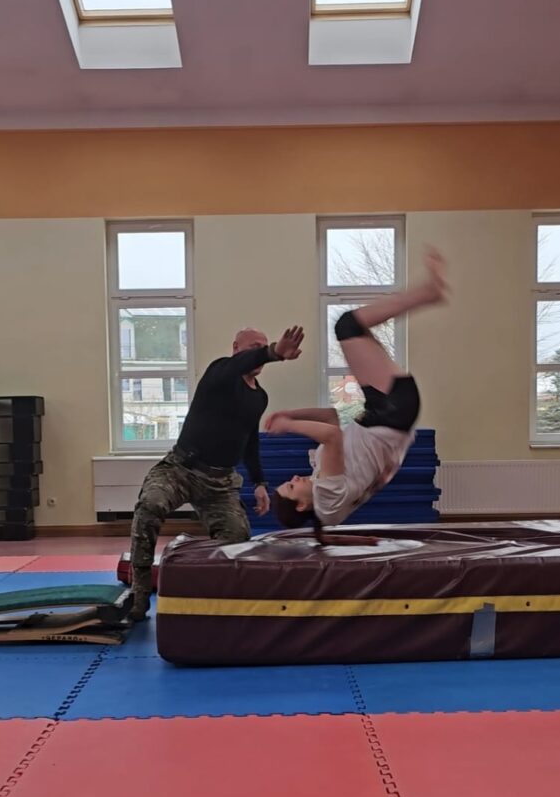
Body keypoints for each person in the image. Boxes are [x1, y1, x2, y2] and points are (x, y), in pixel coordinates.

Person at [268, 249, 447, 538]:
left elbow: (331, 418)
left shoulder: (324, 493)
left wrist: (292, 413)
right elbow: (332, 435)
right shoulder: (326, 498)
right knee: (347, 326)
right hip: (391, 413)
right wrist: (289, 424)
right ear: (301, 505)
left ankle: (428, 293)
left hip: (385, 412)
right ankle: (428, 293)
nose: (294, 477)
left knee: (355, 329)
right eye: (291, 486)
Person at [129, 325, 304, 619]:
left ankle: (201, 584)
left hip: (219, 484)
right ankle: (139, 592)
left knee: (238, 537)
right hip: (180, 470)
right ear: (236, 348)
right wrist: (273, 351)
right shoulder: (220, 372)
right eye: (253, 347)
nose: (258, 353)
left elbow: (250, 440)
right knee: (150, 505)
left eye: (262, 346)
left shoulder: (259, 397)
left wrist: (259, 482)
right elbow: (240, 365)